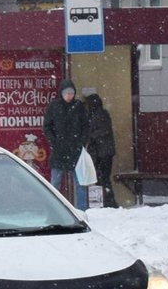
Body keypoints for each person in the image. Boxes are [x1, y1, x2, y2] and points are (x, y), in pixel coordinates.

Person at [41, 79, 90, 209]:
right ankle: (54, 209)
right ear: (61, 93)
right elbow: (47, 127)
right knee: (55, 182)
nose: (69, 95)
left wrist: (81, 142)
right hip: (59, 150)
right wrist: (54, 141)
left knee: (80, 182)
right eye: (66, 93)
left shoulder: (79, 106)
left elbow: (86, 126)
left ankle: (81, 210)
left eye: (71, 93)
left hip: (75, 150)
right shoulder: (54, 106)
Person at [85, 93, 118, 208]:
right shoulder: (100, 114)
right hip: (103, 151)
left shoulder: (99, 114)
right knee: (102, 178)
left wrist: (91, 136)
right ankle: (106, 201)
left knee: (102, 177)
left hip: (102, 152)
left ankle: (107, 202)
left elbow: (104, 130)